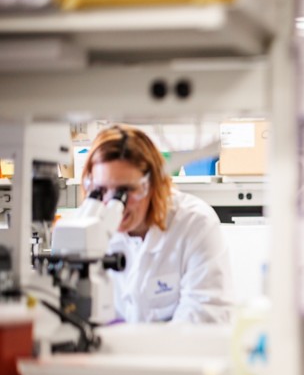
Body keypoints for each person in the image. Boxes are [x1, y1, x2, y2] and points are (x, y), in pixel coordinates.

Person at [81, 124, 233, 323]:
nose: (112, 203)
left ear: (152, 185)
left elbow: (203, 317)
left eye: (125, 191)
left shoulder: (195, 224)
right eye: (100, 191)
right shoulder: (86, 226)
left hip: (176, 352)